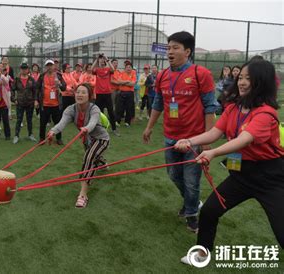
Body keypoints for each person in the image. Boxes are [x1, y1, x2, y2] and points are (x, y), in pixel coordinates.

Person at [177, 60, 284, 265]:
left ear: (262, 82)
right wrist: (189, 141)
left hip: (271, 177)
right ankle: (202, 254)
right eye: (240, 77)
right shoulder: (234, 108)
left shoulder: (266, 113)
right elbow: (215, 132)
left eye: (248, 79)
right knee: (209, 211)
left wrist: (213, 153)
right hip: (242, 175)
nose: (242, 82)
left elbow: (244, 140)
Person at [142, 31, 217, 232]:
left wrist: (207, 139)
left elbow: (210, 106)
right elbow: (158, 102)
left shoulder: (201, 74)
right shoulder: (163, 76)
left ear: (187, 51)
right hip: (170, 137)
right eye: (168, 48)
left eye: (175, 48)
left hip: (194, 138)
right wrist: (149, 127)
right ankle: (192, 203)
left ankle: (192, 214)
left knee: (192, 182)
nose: (170, 52)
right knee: (174, 175)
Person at [48, 83, 110, 208]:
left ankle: (83, 195)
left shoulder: (94, 109)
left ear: (89, 95)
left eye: (83, 92)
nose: (80, 95)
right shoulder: (70, 109)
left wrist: (86, 128)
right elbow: (62, 123)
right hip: (87, 141)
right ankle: (102, 163)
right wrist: (53, 131)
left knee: (88, 158)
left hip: (101, 139)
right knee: (93, 156)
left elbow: (92, 123)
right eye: (78, 92)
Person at [35, 59, 66, 144]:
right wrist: (36, 100)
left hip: (56, 104)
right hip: (44, 104)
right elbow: (37, 88)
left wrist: (59, 83)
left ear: (53, 66)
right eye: (47, 65)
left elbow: (64, 88)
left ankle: (59, 138)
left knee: (58, 123)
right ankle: (41, 139)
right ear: (45, 67)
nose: (49, 67)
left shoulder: (58, 76)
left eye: (51, 65)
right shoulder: (42, 76)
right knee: (43, 123)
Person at [92, 54, 119, 136]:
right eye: (101, 59)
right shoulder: (97, 70)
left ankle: (114, 129)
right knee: (99, 112)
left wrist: (107, 60)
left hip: (107, 93)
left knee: (111, 112)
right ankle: (99, 129)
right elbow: (92, 69)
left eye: (103, 59)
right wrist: (97, 59)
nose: (102, 60)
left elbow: (113, 69)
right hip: (99, 94)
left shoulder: (108, 69)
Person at [11, 63, 37, 144]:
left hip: (30, 103)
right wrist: (14, 99)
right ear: (20, 69)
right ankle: (16, 136)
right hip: (20, 103)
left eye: (25, 68)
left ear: (28, 69)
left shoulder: (31, 79)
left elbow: (35, 91)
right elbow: (12, 90)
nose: (24, 70)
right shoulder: (16, 79)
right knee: (19, 120)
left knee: (29, 120)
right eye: (22, 68)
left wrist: (35, 100)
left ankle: (30, 134)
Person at [114, 59, 136, 127]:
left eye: (130, 67)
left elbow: (132, 84)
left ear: (132, 68)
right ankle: (117, 121)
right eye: (127, 67)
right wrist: (127, 81)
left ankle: (127, 122)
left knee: (129, 108)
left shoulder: (133, 73)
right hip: (122, 92)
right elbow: (119, 81)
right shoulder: (122, 73)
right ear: (125, 68)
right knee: (119, 108)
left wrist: (124, 82)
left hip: (130, 93)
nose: (128, 68)